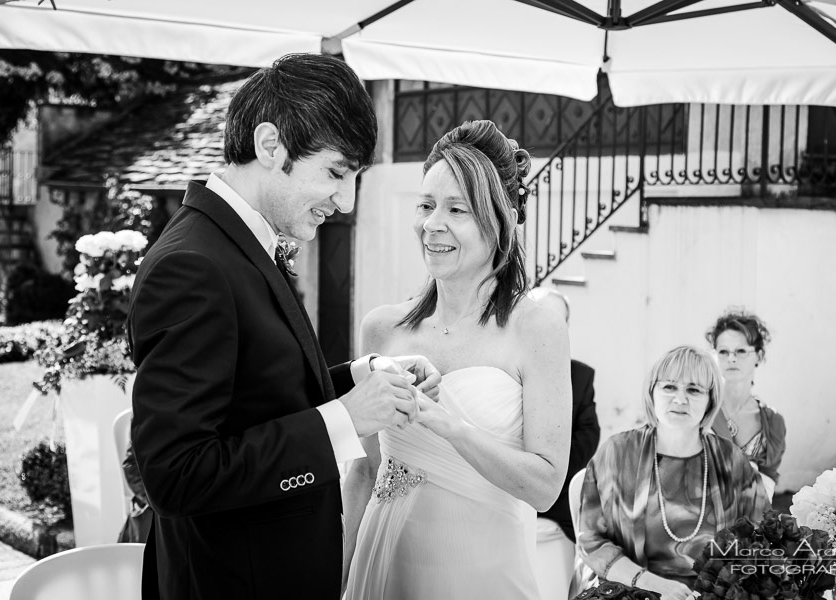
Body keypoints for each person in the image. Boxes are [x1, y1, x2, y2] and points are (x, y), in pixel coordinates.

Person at [126, 53, 440, 600]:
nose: (345, 201)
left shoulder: (240, 245)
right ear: (271, 146)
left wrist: (363, 376)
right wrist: (344, 419)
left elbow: (259, 394)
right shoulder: (193, 266)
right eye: (337, 173)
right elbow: (175, 474)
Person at [342, 120, 572, 599]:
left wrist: (446, 423)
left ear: (502, 217)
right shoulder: (382, 327)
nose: (432, 224)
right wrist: (334, 578)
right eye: (426, 205)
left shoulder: (537, 325)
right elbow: (363, 471)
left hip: (482, 574)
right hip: (384, 564)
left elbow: (546, 485)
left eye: (456, 209)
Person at [572, 346, 768, 600]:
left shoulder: (732, 460)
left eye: (694, 390)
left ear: (710, 400)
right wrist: (654, 585)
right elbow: (591, 542)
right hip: (632, 588)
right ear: (652, 392)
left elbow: (762, 539)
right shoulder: (617, 453)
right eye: (669, 387)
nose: (680, 399)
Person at [530, 287, 601, 600]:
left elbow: (588, 434)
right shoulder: (502, 369)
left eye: (557, 322)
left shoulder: (581, 376)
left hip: (554, 511)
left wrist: (545, 469)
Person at [705, 308, 786, 499]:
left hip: (748, 520)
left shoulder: (773, 423)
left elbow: (768, 482)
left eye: (741, 351)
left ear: (758, 355)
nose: (731, 358)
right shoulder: (700, 409)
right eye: (723, 351)